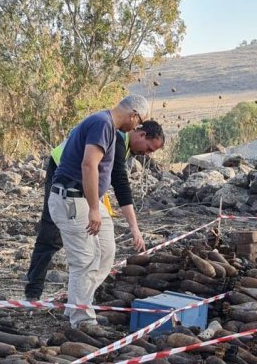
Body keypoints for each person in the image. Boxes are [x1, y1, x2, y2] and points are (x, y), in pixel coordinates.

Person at [24, 120, 165, 300]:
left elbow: (107, 176)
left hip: (84, 185)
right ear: (141, 134)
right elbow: (120, 183)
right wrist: (134, 228)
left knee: (100, 243)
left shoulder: (127, 145)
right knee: (51, 233)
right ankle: (33, 292)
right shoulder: (118, 139)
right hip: (63, 172)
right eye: (149, 149)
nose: (146, 154)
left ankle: (82, 296)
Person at [48, 95, 150, 329]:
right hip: (73, 199)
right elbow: (89, 164)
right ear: (134, 114)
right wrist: (94, 208)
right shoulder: (102, 124)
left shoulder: (111, 130)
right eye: (139, 122)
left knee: (105, 252)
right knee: (84, 261)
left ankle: (79, 304)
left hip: (88, 200)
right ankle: (82, 320)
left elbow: (116, 177)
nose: (136, 127)